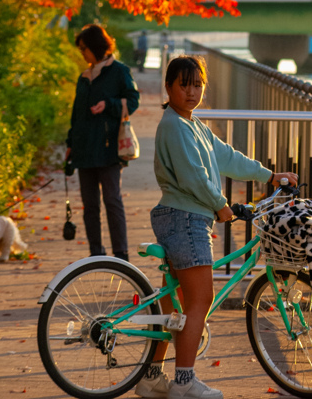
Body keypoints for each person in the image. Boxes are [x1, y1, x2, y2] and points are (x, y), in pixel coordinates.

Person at [137, 55, 298, 399]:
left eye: (198, 85)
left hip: (183, 216)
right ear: (169, 87)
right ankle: (184, 382)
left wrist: (270, 176)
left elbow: (227, 157)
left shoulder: (192, 124)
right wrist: (221, 206)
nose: (192, 92)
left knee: (176, 303)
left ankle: (152, 377)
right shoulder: (175, 127)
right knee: (201, 300)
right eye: (184, 85)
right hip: (186, 218)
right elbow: (194, 177)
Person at [65, 23, 140, 261]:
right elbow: (76, 114)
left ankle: (121, 255)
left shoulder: (119, 71)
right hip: (84, 149)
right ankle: (96, 253)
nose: (83, 53)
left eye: (84, 48)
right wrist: (70, 144)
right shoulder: (84, 76)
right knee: (90, 206)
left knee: (112, 200)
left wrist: (109, 105)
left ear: (96, 46)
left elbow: (133, 100)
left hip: (109, 148)